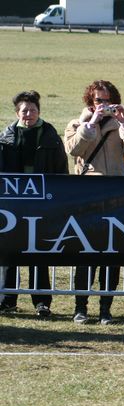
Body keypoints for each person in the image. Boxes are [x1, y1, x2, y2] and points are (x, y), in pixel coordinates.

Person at [65, 80, 124, 325]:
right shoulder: (77, 124)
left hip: (116, 195)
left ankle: (106, 309)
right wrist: (92, 123)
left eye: (107, 100)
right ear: (90, 101)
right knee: (86, 255)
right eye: (99, 100)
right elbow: (74, 150)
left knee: (111, 254)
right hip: (88, 196)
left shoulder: (121, 124)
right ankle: (81, 308)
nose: (103, 104)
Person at [0, 91, 68, 316]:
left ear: (39, 111)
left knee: (38, 252)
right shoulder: (6, 136)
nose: (28, 114)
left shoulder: (50, 135)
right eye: (24, 110)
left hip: (42, 203)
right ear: (17, 112)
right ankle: (7, 298)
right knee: (9, 251)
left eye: (32, 110)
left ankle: (41, 302)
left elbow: (61, 169)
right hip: (12, 203)